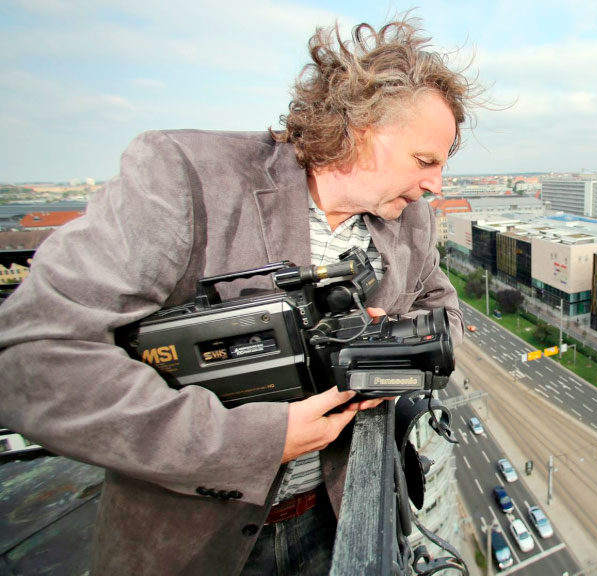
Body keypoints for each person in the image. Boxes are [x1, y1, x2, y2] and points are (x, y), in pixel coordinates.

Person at [0, 15, 481, 576]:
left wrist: (376, 351)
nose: (435, 186)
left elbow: (439, 312)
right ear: (359, 129)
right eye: (425, 161)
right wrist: (258, 440)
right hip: (197, 541)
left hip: (341, 518)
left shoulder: (411, 221)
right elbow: (33, 359)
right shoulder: (184, 179)